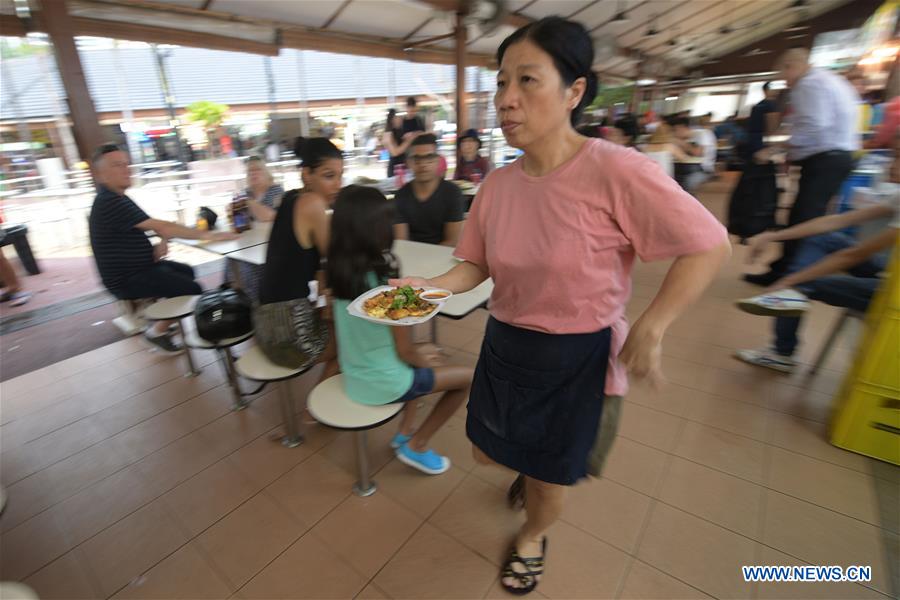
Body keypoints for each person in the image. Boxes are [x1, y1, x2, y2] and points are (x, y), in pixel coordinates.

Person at [391, 17, 730, 595]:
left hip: (577, 356)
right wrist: (426, 290)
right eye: (501, 83)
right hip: (507, 344)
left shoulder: (615, 170)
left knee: (549, 479)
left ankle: (533, 535)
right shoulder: (498, 185)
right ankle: (532, 473)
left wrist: (653, 325)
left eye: (527, 80)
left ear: (574, 91)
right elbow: (475, 264)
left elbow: (708, 244)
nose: (506, 99)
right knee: (487, 450)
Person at [328, 185, 473, 474]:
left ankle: (405, 432)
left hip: (354, 376)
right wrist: (425, 357)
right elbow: (406, 352)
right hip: (385, 382)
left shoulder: (338, 274)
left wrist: (419, 354)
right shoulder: (384, 282)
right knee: (469, 378)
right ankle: (416, 444)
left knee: (419, 363)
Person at [734, 132, 900, 372]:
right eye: (894, 156)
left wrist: (790, 281)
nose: (892, 164)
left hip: (894, 294)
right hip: (891, 274)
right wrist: (772, 235)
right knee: (821, 239)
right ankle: (789, 311)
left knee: (803, 284)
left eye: (898, 157)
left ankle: (782, 351)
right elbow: (834, 222)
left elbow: (854, 255)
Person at [88, 143, 237, 354]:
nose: (126, 169)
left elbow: (152, 225)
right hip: (126, 279)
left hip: (142, 267)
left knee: (188, 272)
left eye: (126, 164)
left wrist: (162, 242)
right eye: (117, 165)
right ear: (101, 175)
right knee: (192, 289)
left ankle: (166, 317)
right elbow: (163, 226)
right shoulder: (109, 201)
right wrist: (208, 235)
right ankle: (156, 333)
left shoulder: (117, 198)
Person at [747, 47, 861, 286]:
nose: (784, 81)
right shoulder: (828, 80)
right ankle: (789, 268)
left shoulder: (808, 84)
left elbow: (813, 127)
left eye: (783, 74)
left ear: (791, 66)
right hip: (836, 157)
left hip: (827, 158)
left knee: (805, 217)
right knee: (807, 215)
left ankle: (791, 273)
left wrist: (777, 148)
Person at [257, 137, 342, 387]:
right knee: (353, 339)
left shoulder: (290, 199)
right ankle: (316, 405)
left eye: (340, 176)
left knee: (337, 317)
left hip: (264, 326)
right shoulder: (313, 203)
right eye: (329, 176)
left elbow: (318, 265)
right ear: (306, 174)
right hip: (289, 336)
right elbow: (335, 260)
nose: (338, 184)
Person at [393, 134, 465, 246]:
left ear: (438, 161)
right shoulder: (401, 196)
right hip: (410, 253)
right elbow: (401, 242)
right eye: (417, 159)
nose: (423, 164)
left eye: (429, 158)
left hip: (443, 254)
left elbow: (452, 241)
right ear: (408, 162)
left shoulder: (452, 193)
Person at [671, 116, 717, 192]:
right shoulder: (685, 138)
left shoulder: (703, 134)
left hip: (703, 168)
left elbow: (698, 153)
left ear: (683, 128)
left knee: (685, 182)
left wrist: (681, 143)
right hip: (685, 166)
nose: (675, 133)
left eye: (676, 130)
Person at [382, 109, 419, 178]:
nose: (401, 119)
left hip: (403, 166)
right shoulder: (388, 134)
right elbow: (395, 152)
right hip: (396, 168)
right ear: (392, 119)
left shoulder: (397, 131)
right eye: (398, 117)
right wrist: (409, 139)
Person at [244, 156, 282, 222]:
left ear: (265, 172)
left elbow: (272, 216)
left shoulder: (276, 190)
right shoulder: (247, 193)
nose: (253, 173)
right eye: (250, 170)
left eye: (257, 169)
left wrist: (248, 202)